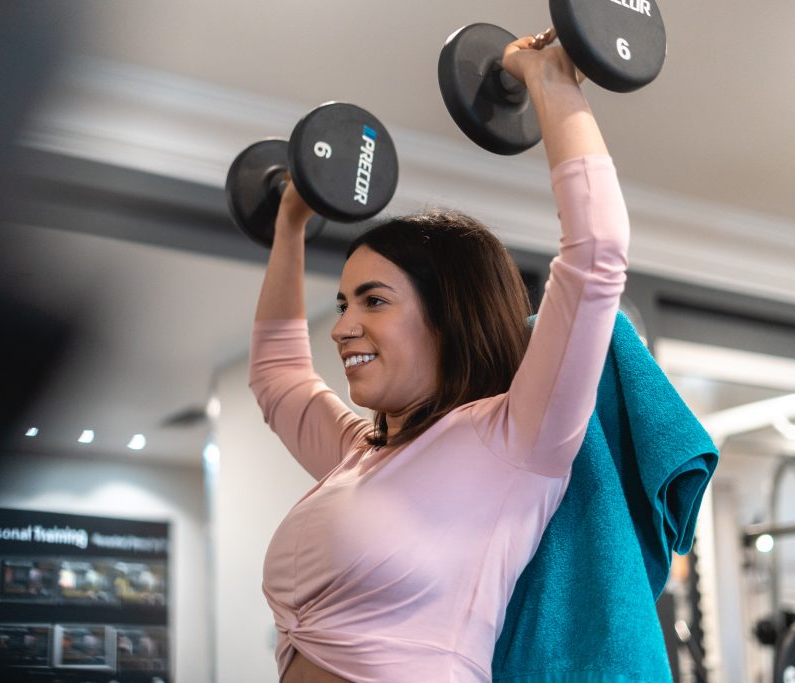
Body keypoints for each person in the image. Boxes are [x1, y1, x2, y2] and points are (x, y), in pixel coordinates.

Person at [249, 28, 629, 683]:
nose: (342, 329)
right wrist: (291, 224)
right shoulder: (358, 457)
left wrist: (548, 80)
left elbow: (595, 255)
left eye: (372, 301)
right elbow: (278, 375)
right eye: (342, 305)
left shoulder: (513, 443)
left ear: (448, 317)